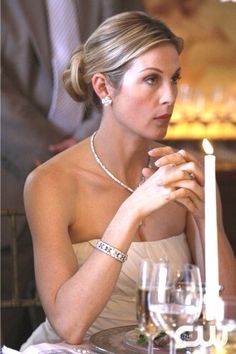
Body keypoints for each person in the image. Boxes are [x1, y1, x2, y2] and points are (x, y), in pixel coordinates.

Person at [21, 11, 236, 350]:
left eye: (174, 78)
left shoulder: (186, 172)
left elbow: (226, 314)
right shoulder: (51, 183)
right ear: (104, 86)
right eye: (152, 79)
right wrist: (131, 210)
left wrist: (207, 219)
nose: (170, 96)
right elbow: (70, 326)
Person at [1, 0, 144, 349]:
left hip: (100, 170)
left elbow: (138, 56)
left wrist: (89, 142)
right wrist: (53, 153)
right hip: (8, 173)